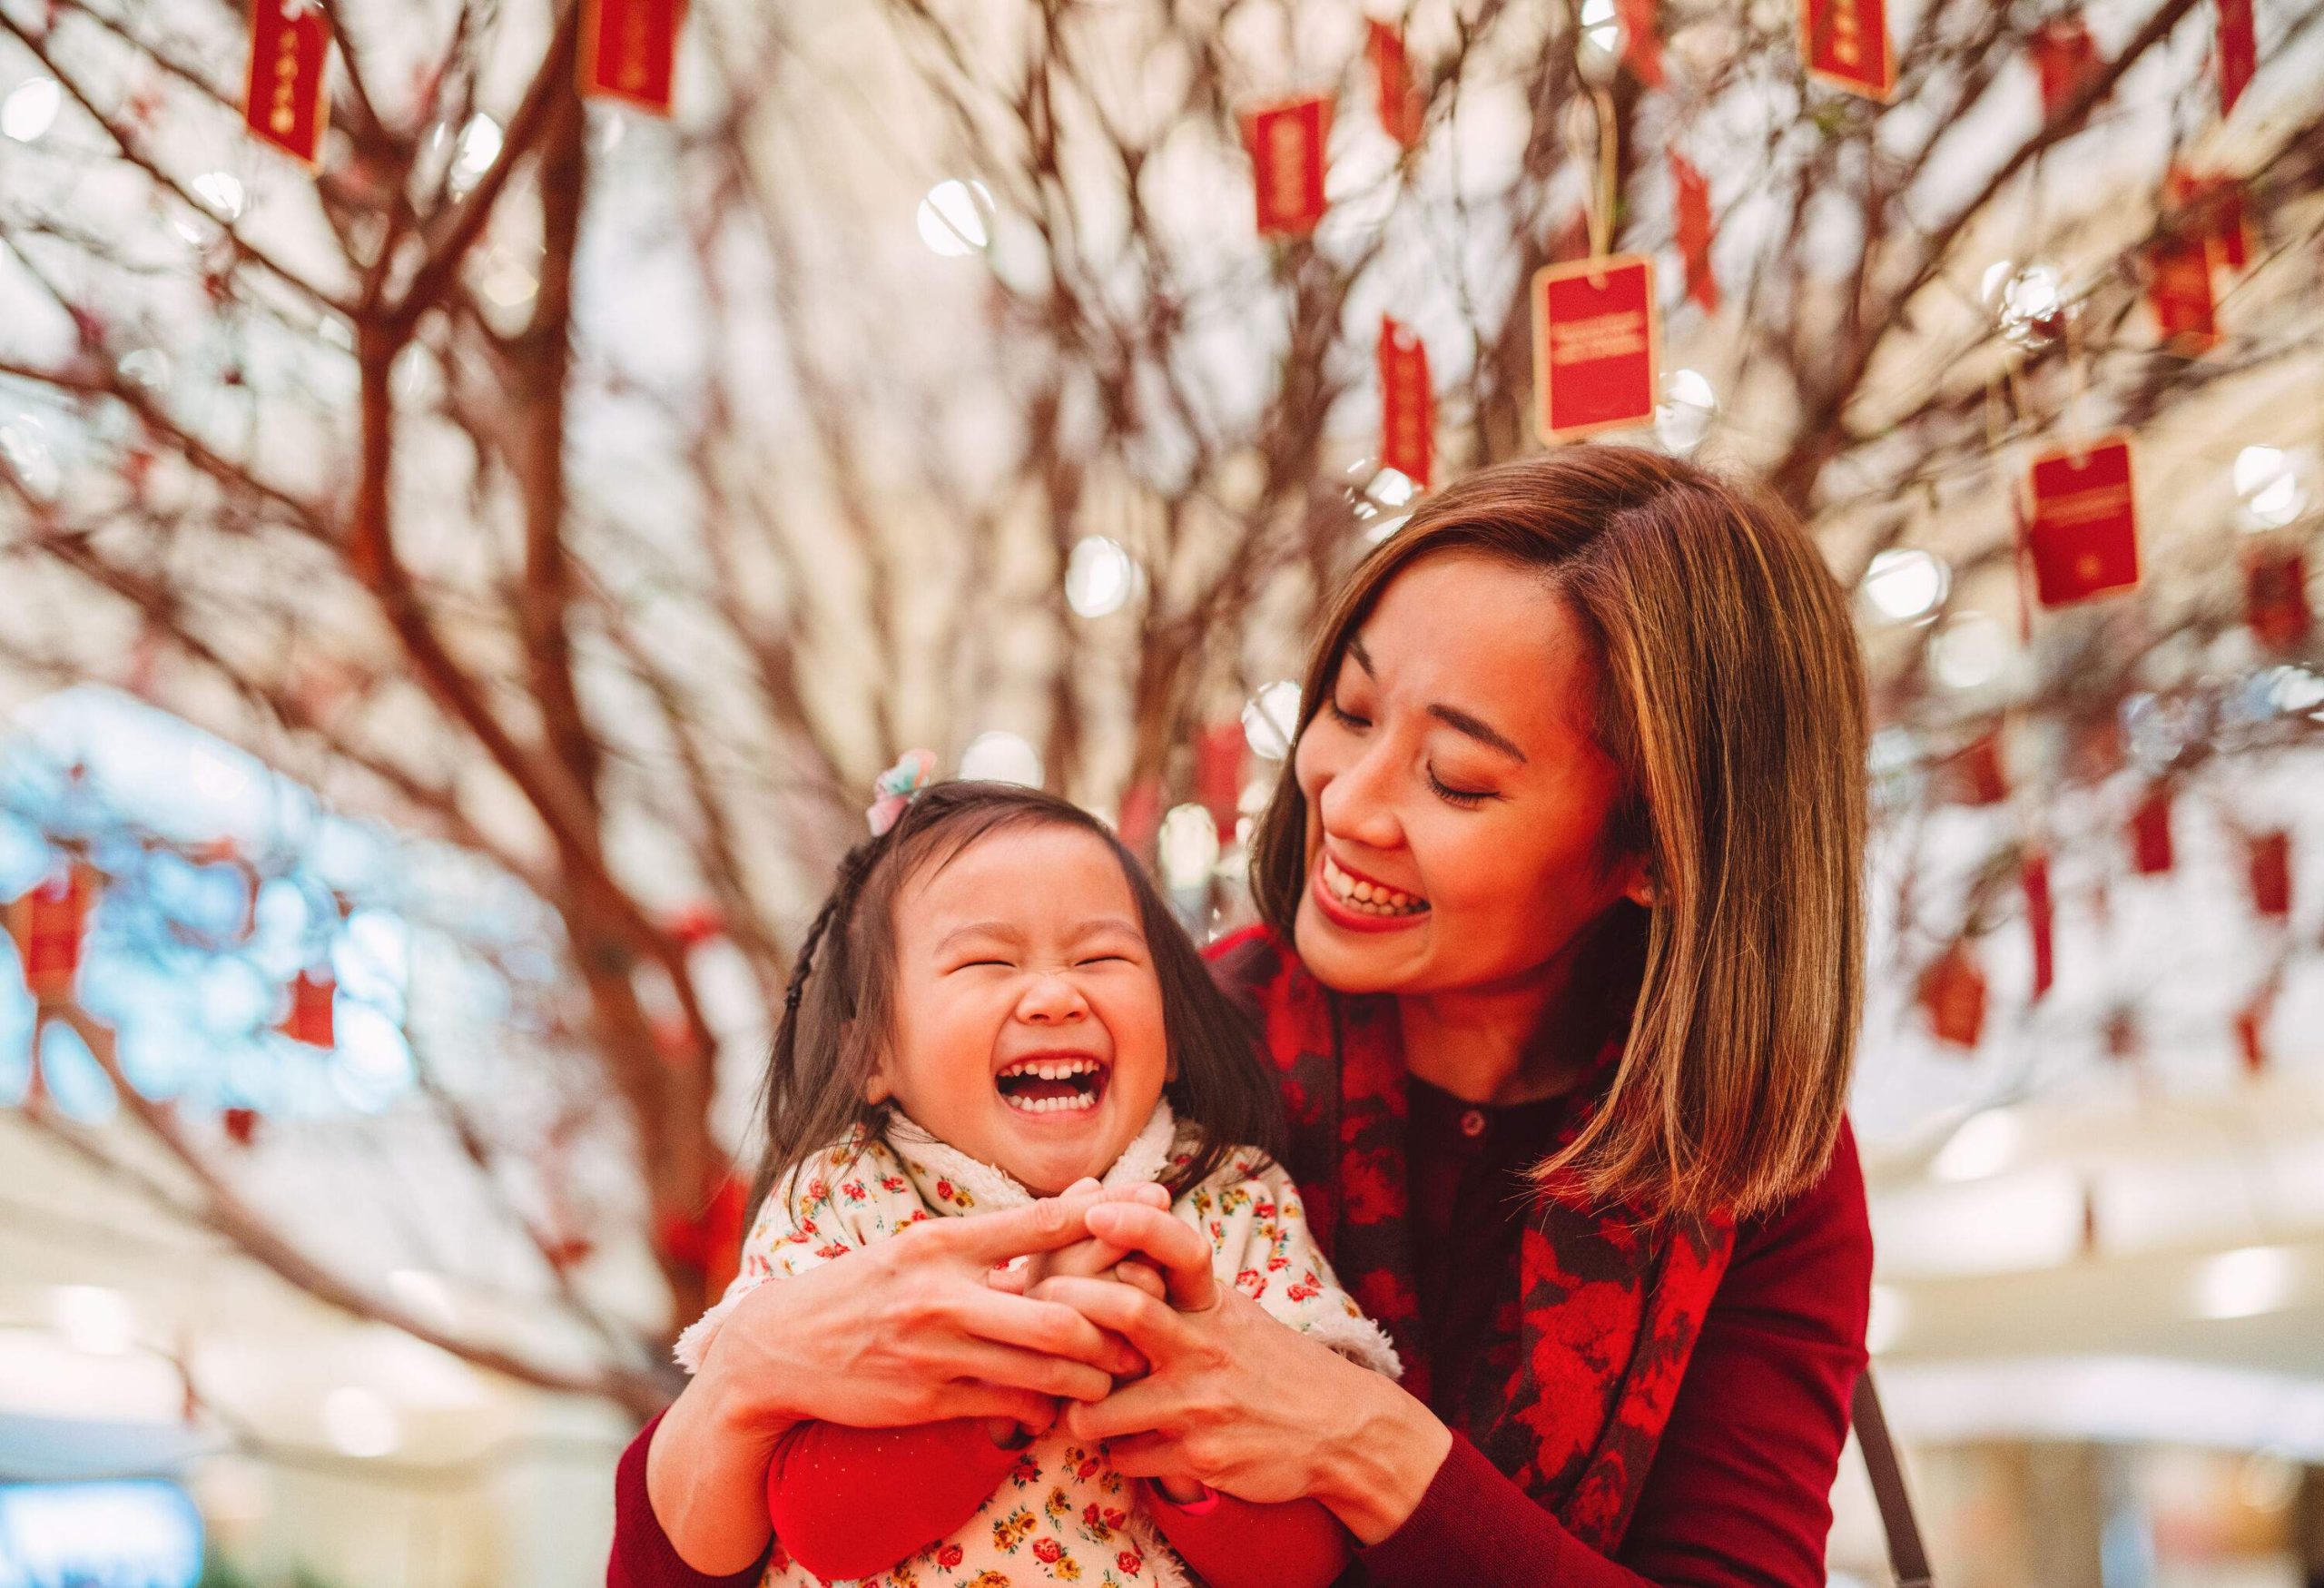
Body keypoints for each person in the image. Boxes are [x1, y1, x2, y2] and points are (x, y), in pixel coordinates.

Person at [612, 447, 1874, 1588]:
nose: (1346, 797)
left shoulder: (1750, 1163)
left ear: (1656, 850)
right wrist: (749, 1382)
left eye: (1456, 777)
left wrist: (1368, 1449)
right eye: (1353, 710)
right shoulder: (1159, 1058)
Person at [667, 766, 1394, 1588]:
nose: (1055, 994)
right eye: (986, 961)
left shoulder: (1233, 1201)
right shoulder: (841, 1198)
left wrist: (1183, 1441)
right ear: (873, 1053)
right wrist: (1018, 1368)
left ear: (1176, 1031)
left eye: (1100, 954)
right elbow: (817, 1530)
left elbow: (1301, 1567)